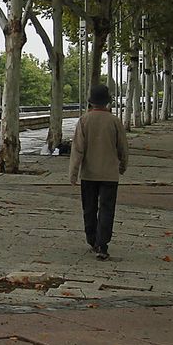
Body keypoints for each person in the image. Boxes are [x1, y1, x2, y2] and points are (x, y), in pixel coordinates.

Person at [69, 84, 129, 260]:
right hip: (110, 174)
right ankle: (103, 244)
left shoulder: (84, 120)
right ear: (107, 102)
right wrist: (123, 165)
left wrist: (73, 173)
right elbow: (122, 147)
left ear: (91, 102)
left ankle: (92, 239)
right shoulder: (114, 121)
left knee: (89, 207)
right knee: (107, 208)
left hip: (89, 174)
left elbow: (77, 149)